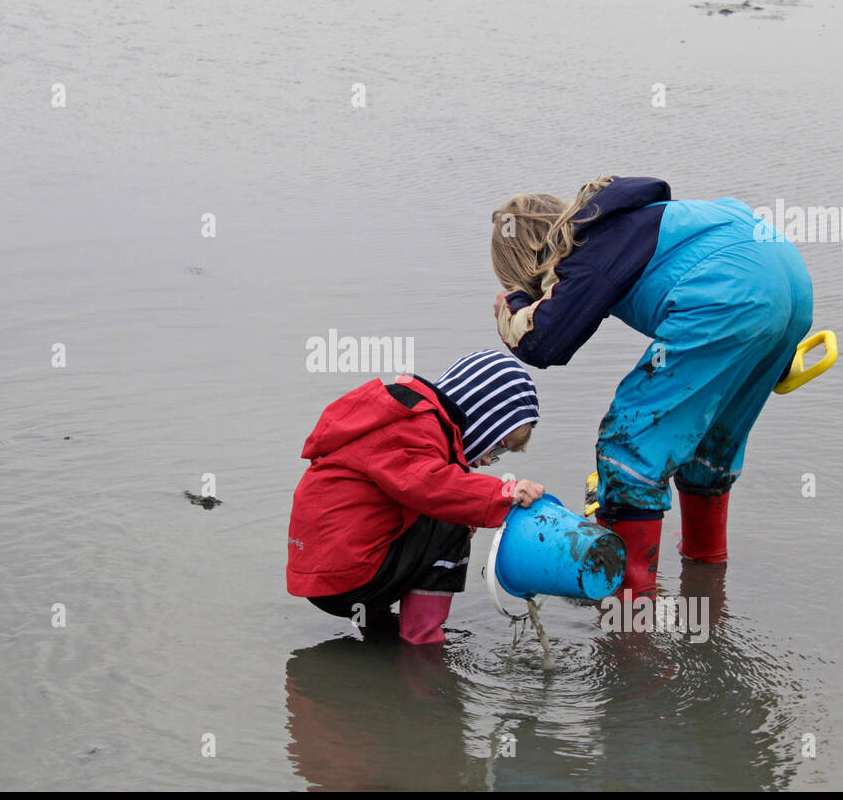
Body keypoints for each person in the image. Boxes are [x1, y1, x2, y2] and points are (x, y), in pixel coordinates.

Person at [490, 175, 813, 599]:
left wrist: (511, 305)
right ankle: (705, 578)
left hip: (728, 297)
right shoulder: (630, 219)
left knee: (628, 448)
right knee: (707, 446)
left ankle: (629, 621)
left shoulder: (585, 251)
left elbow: (543, 342)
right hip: (787, 280)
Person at [287, 350, 544, 644]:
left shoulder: (399, 413)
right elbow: (430, 487)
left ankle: (380, 631)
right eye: (497, 450)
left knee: (434, 512)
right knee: (450, 522)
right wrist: (503, 493)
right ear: (482, 420)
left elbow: (410, 490)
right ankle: (422, 640)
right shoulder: (418, 426)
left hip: (319, 569)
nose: (488, 462)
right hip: (344, 577)